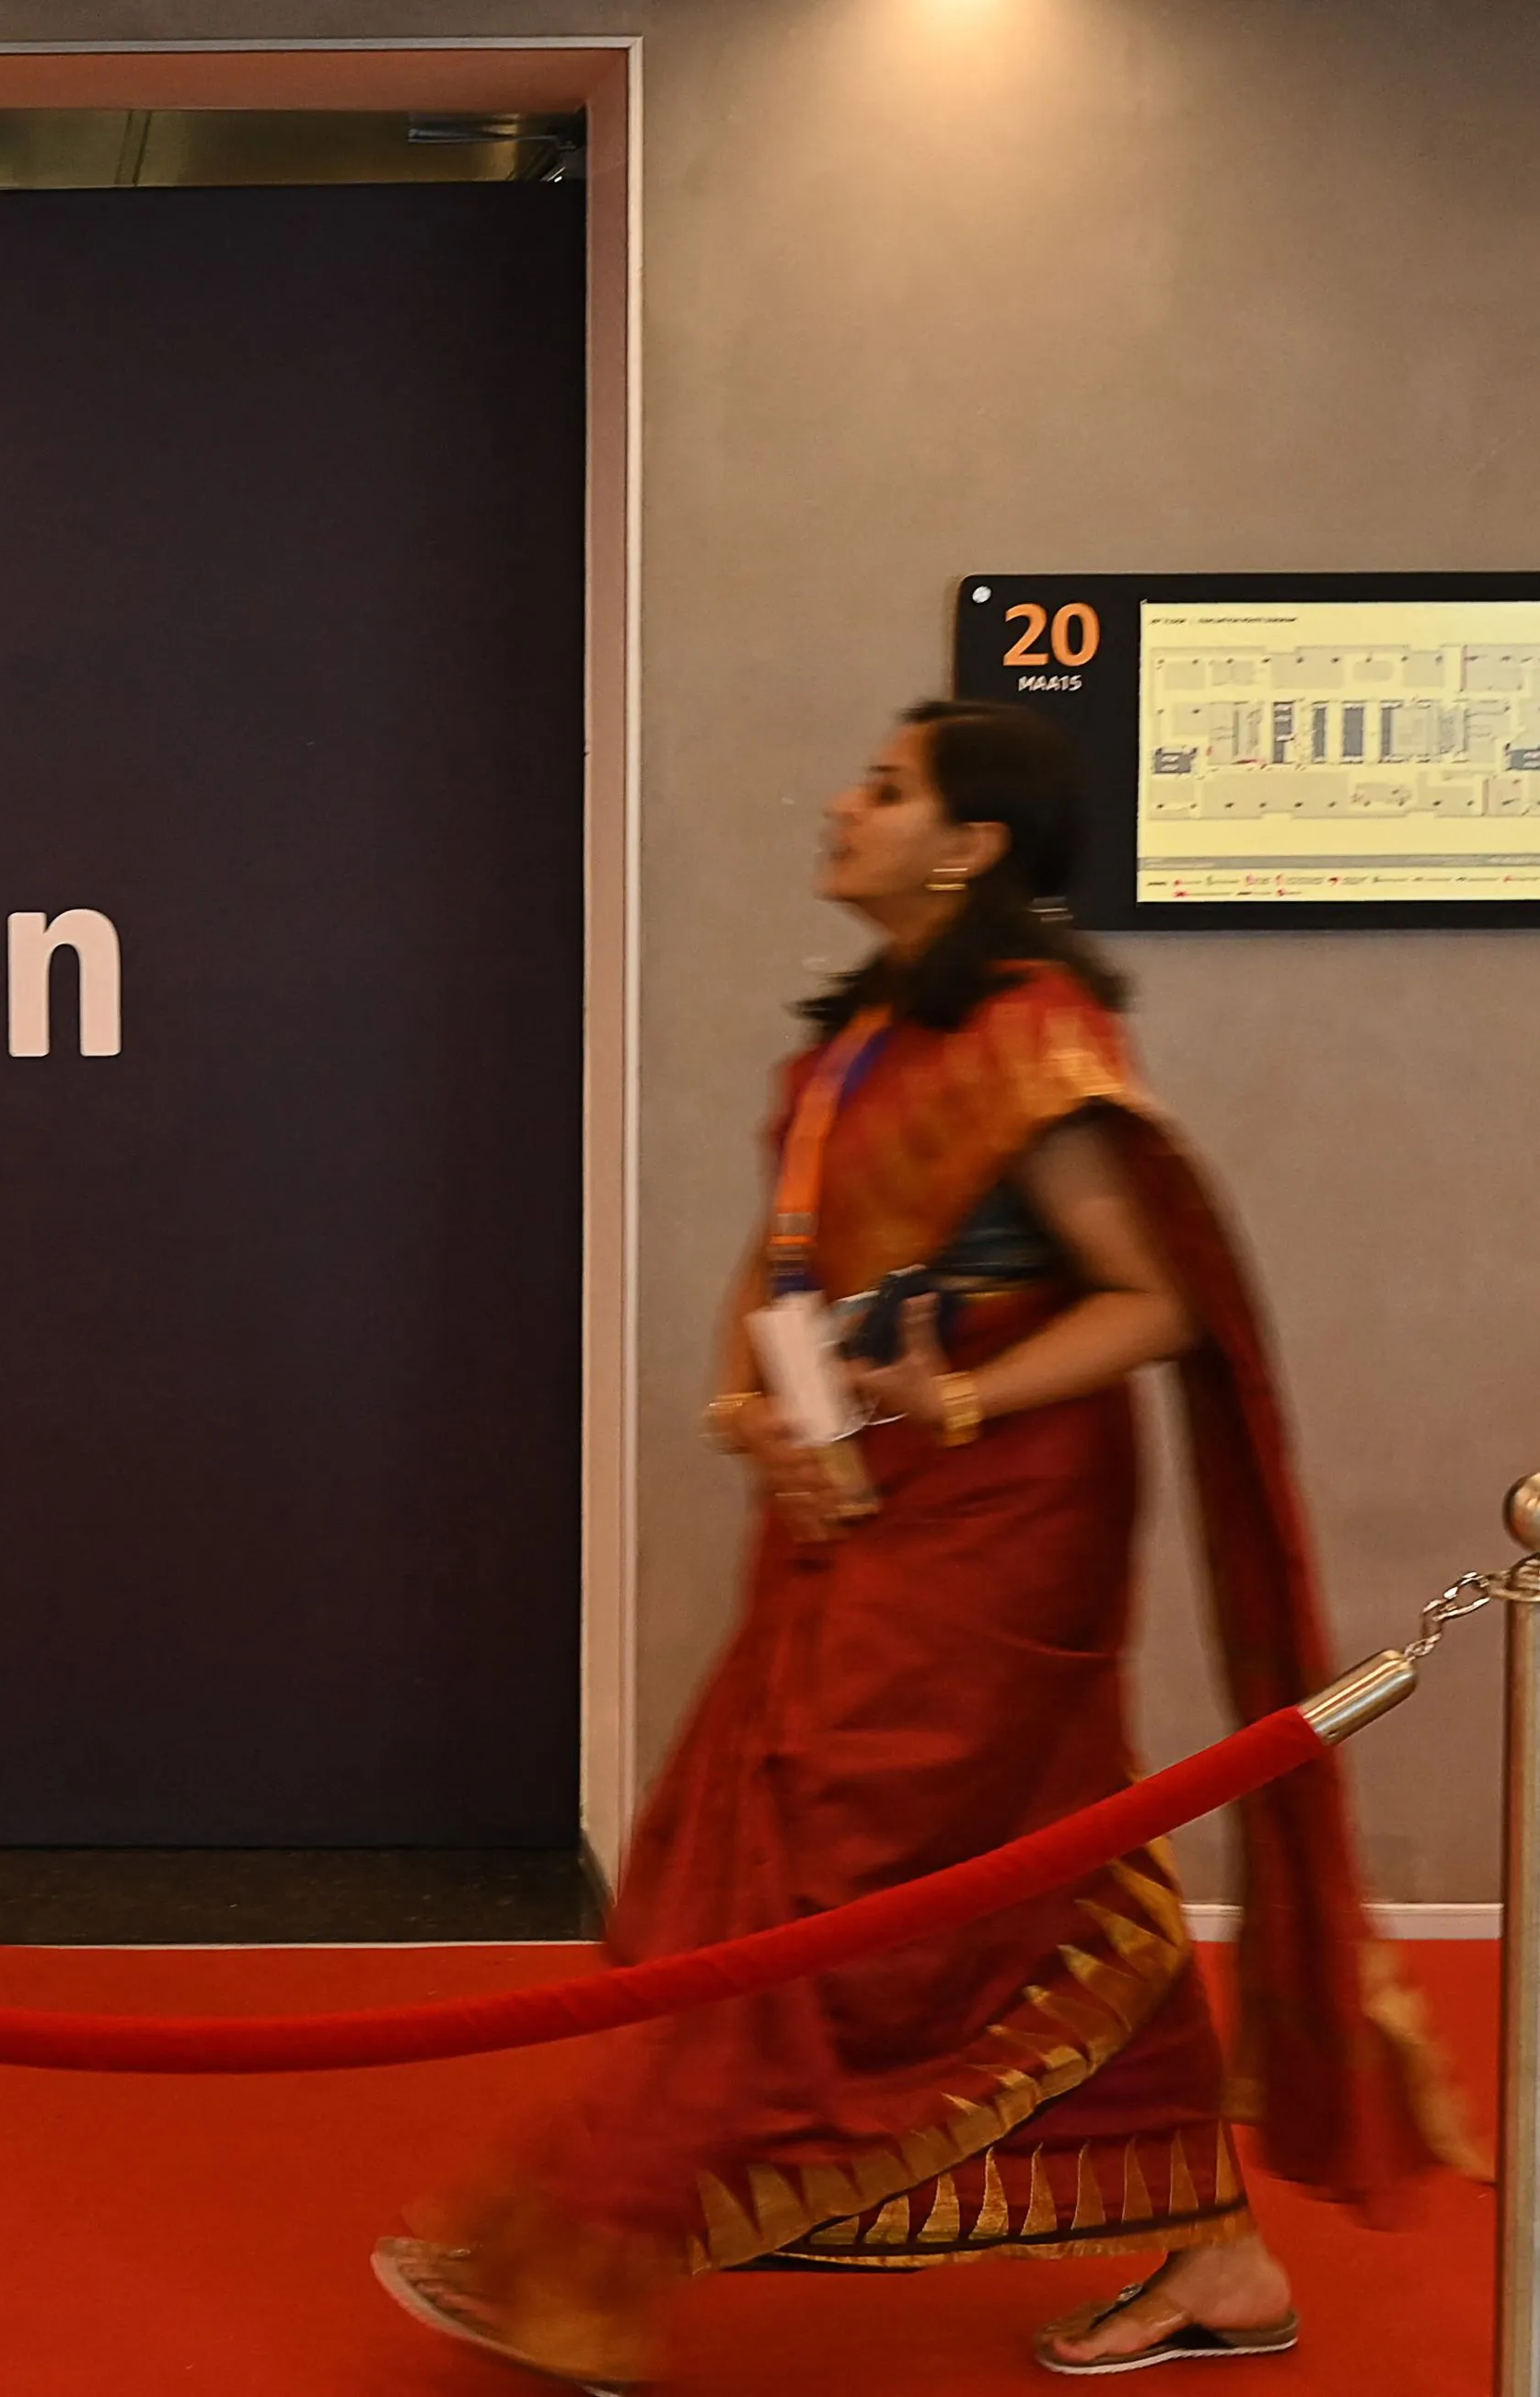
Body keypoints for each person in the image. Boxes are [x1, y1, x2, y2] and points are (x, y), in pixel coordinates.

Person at [373, 701, 1469, 2390]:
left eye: (884, 789)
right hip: (845, 1520)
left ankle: (596, 2251)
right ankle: (1218, 2256)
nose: (840, 802)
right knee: (1037, 1882)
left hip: (995, 1534)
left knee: (836, 1885)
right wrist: (752, 1409)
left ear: (968, 848)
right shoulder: (862, 1037)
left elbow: (1152, 1299)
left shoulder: (1036, 1048)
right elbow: (783, 1256)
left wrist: (947, 1409)